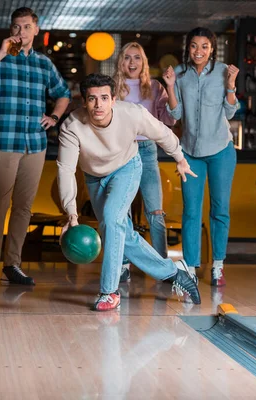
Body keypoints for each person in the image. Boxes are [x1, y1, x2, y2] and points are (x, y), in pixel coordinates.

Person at [57, 73, 201, 311]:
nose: (98, 104)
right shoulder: (72, 126)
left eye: (104, 98)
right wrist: (71, 215)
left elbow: (163, 133)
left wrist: (180, 157)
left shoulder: (132, 113)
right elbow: (65, 170)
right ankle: (175, 272)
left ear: (113, 99)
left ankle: (109, 292)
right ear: (84, 101)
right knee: (122, 232)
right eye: (92, 99)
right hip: (94, 177)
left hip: (126, 168)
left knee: (113, 220)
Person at [0, 7, 71, 287]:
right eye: (16, 27)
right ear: (10, 29)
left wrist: (54, 117)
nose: (20, 32)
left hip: (35, 143)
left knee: (23, 208)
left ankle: (12, 264)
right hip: (4, 140)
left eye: (26, 27)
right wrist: (2, 52)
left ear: (36, 30)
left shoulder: (43, 64)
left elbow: (64, 94)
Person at [163, 27, 239, 287]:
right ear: (188, 48)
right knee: (191, 211)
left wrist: (230, 86)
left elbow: (229, 112)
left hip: (221, 151)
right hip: (190, 153)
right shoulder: (181, 74)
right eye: (194, 46)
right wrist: (171, 86)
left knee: (219, 209)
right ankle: (191, 267)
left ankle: (218, 265)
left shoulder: (222, 72)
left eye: (204, 46)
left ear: (212, 48)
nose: (198, 51)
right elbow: (175, 114)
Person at [113, 42, 176, 283]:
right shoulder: (114, 87)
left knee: (156, 212)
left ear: (143, 62)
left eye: (137, 58)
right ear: (121, 62)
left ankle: (162, 267)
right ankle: (123, 264)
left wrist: (170, 88)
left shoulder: (155, 87)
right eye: (127, 57)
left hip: (148, 150)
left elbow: (169, 120)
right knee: (122, 212)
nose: (132, 63)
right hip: (122, 150)